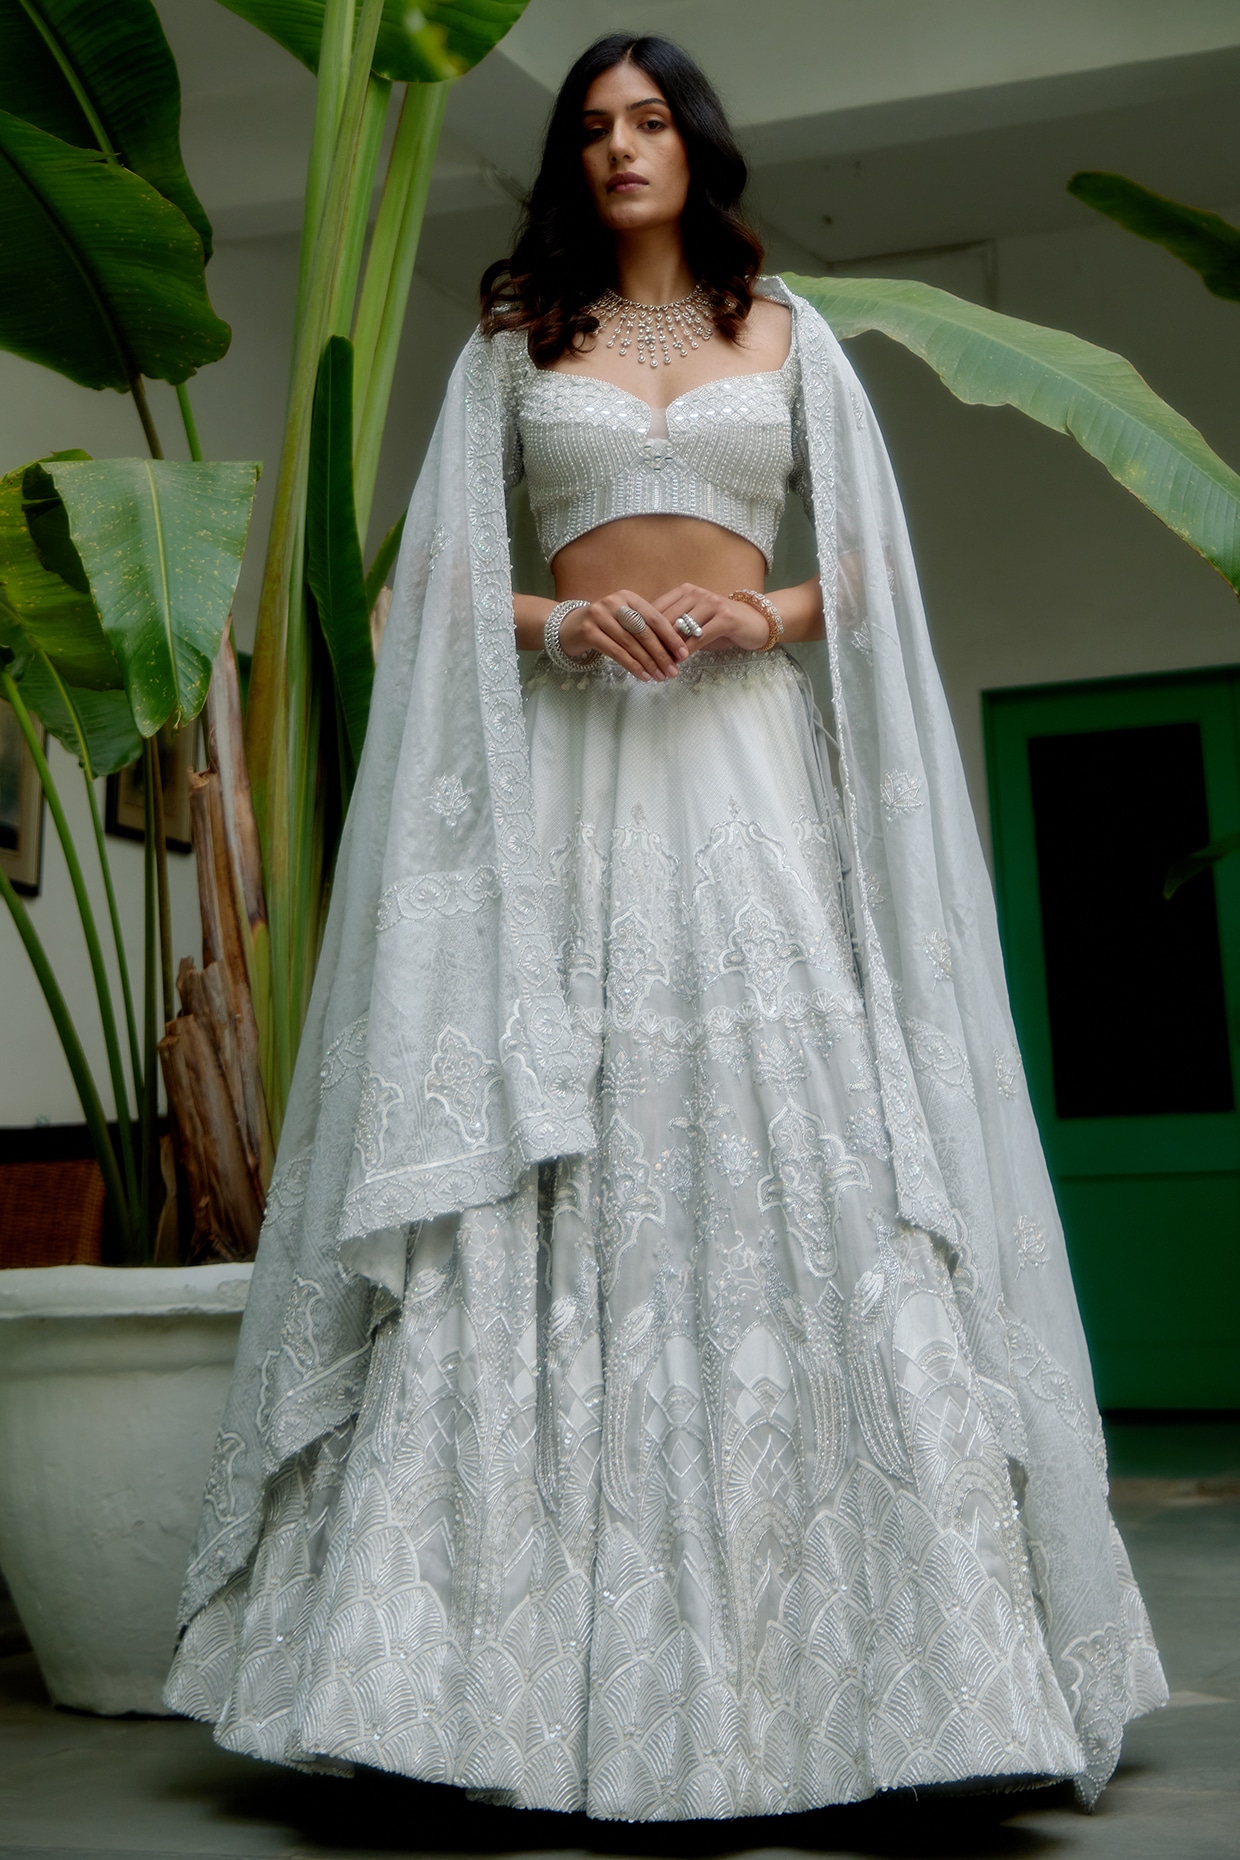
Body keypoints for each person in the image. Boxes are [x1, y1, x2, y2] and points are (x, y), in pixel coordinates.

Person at [165, 33, 1167, 1822]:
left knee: (809, 1154)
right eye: (592, 127)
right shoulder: (508, 349)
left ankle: (891, 1676)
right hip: (560, 792)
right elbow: (422, 605)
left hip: (744, 788)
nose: (622, 147)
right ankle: (458, 1686)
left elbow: (869, 570)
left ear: (696, 148)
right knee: (541, 1165)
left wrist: (752, 623)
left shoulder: (793, 339)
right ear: (572, 159)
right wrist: (561, 634)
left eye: (649, 122)